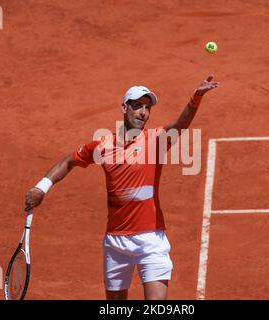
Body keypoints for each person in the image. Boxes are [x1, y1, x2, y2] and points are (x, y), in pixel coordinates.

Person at [25, 75, 219, 300]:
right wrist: (41, 187)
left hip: (151, 240)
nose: (143, 112)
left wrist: (196, 97)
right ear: (124, 108)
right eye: (137, 106)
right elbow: (68, 161)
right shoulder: (103, 146)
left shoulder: (155, 140)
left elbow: (181, 124)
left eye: (147, 108)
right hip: (116, 243)